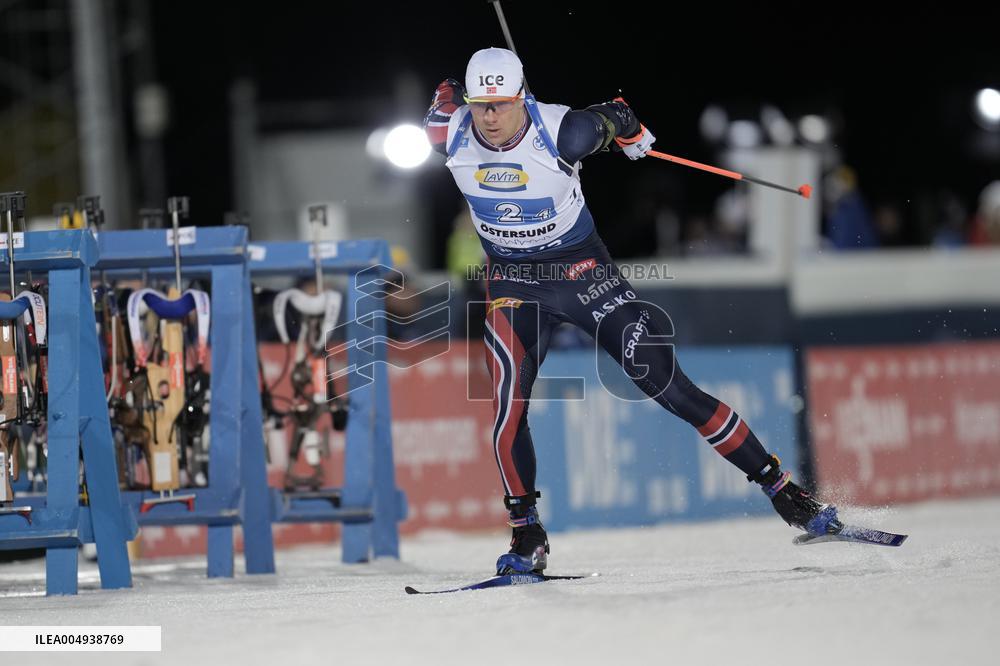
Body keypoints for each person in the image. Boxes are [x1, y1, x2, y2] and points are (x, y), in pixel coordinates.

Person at [423, 47, 836, 575]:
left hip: (581, 272)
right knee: (506, 410)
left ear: (523, 96)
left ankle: (783, 491)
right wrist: (447, 93)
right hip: (512, 281)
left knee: (664, 382)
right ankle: (527, 534)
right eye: (481, 105)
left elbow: (618, 112)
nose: (490, 118)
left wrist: (635, 137)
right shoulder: (448, 131)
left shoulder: (566, 132)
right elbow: (441, 99)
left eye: (501, 105)